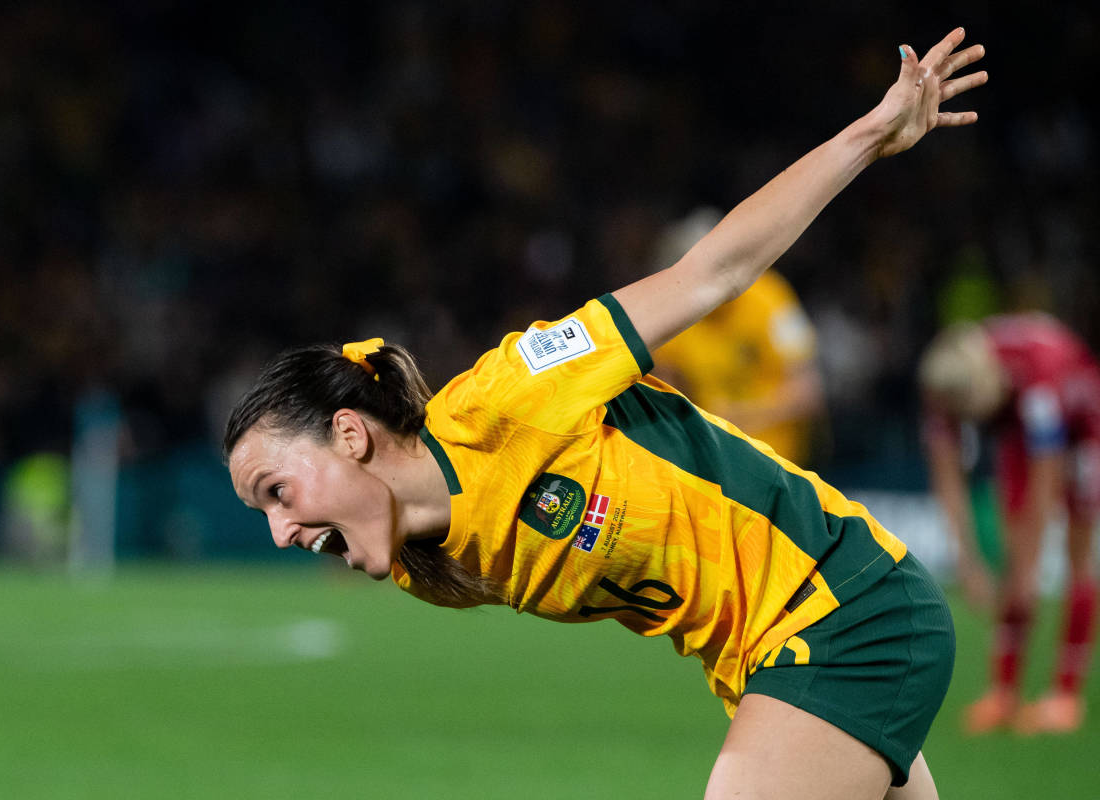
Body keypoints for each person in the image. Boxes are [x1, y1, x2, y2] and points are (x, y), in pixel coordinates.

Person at [225, 28, 986, 799]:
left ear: (351, 434)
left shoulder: (512, 396)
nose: (280, 533)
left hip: (839, 609)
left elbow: (710, 272)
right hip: (769, 659)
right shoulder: (432, 569)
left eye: (276, 492)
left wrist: (870, 134)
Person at [919, 313, 1099, 735]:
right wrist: (966, 560)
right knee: (1011, 546)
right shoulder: (944, 383)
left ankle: (1065, 694)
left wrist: (1029, 566)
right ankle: (1004, 692)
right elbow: (946, 474)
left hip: (1085, 425)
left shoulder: (1038, 376)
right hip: (1021, 430)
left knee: (1076, 553)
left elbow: (1046, 473)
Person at [650, 207, 824, 466]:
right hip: (713, 466)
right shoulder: (678, 313)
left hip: (778, 465)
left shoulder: (770, 297)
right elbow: (662, 396)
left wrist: (737, 418)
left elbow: (808, 393)